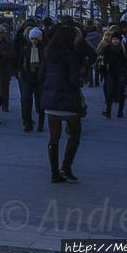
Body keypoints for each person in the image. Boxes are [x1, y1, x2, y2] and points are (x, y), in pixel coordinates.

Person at [40, 23, 84, 183]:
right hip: (68, 99)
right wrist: (79, 82)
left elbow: (42, 74)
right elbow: (73, 79)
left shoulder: (48, 52)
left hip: (51, 98)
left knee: (54, 138)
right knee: (75, 133)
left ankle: (54, 172)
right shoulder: (72, 54)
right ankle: (66, 165)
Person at [99, 30, 127, 118]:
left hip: (121, 72)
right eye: (113, 39)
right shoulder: (107, 48)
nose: (115, 41)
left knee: (121, 93)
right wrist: (104, 72)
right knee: (110, 92)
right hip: (110, 73)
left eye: (117, 39)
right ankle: (108, 111)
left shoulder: (124, 49)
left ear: (120, 40)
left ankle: (120, 112)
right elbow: (104, 62)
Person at [18, 26, 45, 132]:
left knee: (40, 102)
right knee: (26, 100)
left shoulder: (43, 49)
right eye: (32, 38)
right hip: (27, 77)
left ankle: (40, 123)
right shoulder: (25, 49)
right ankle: (28, 122)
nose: (34, 41)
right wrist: (21, 72)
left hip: (39, 78)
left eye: (36, 39)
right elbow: (19, 62)